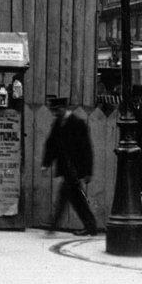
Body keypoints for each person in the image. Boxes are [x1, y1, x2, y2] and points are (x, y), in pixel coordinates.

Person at [42, 95, 99, 235]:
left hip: (75, 169)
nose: (55, 113)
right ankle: (90, 227)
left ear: (63, 108)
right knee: (75, 199)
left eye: (57, 110)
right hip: (66, 168)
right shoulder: (58, 123)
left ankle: (54, 227)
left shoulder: (77, 123)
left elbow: (87, 148)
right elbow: (51, 145)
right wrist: (46, 163)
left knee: (70, 199)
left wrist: (87, 172)